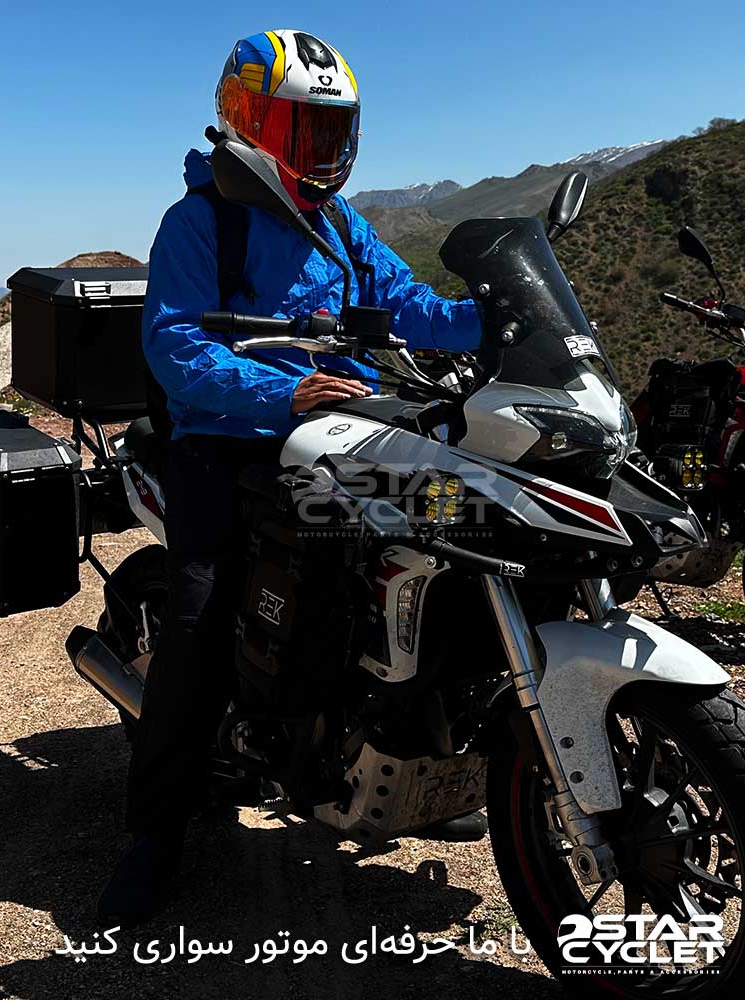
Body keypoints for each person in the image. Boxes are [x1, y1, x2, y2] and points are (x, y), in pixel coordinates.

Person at [97, 29, 484, 927]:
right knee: (199, 619)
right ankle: (154, 834)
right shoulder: (202, 219)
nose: (321, 150)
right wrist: (283, 391)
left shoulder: (341, 223)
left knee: (439, 548)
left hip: (344, 434)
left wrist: (502, 319)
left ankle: (410, 746)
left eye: (331, 131)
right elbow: (175, 344)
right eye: (302, 130)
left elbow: (410, 306)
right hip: (226, 443)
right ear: (248, 122)